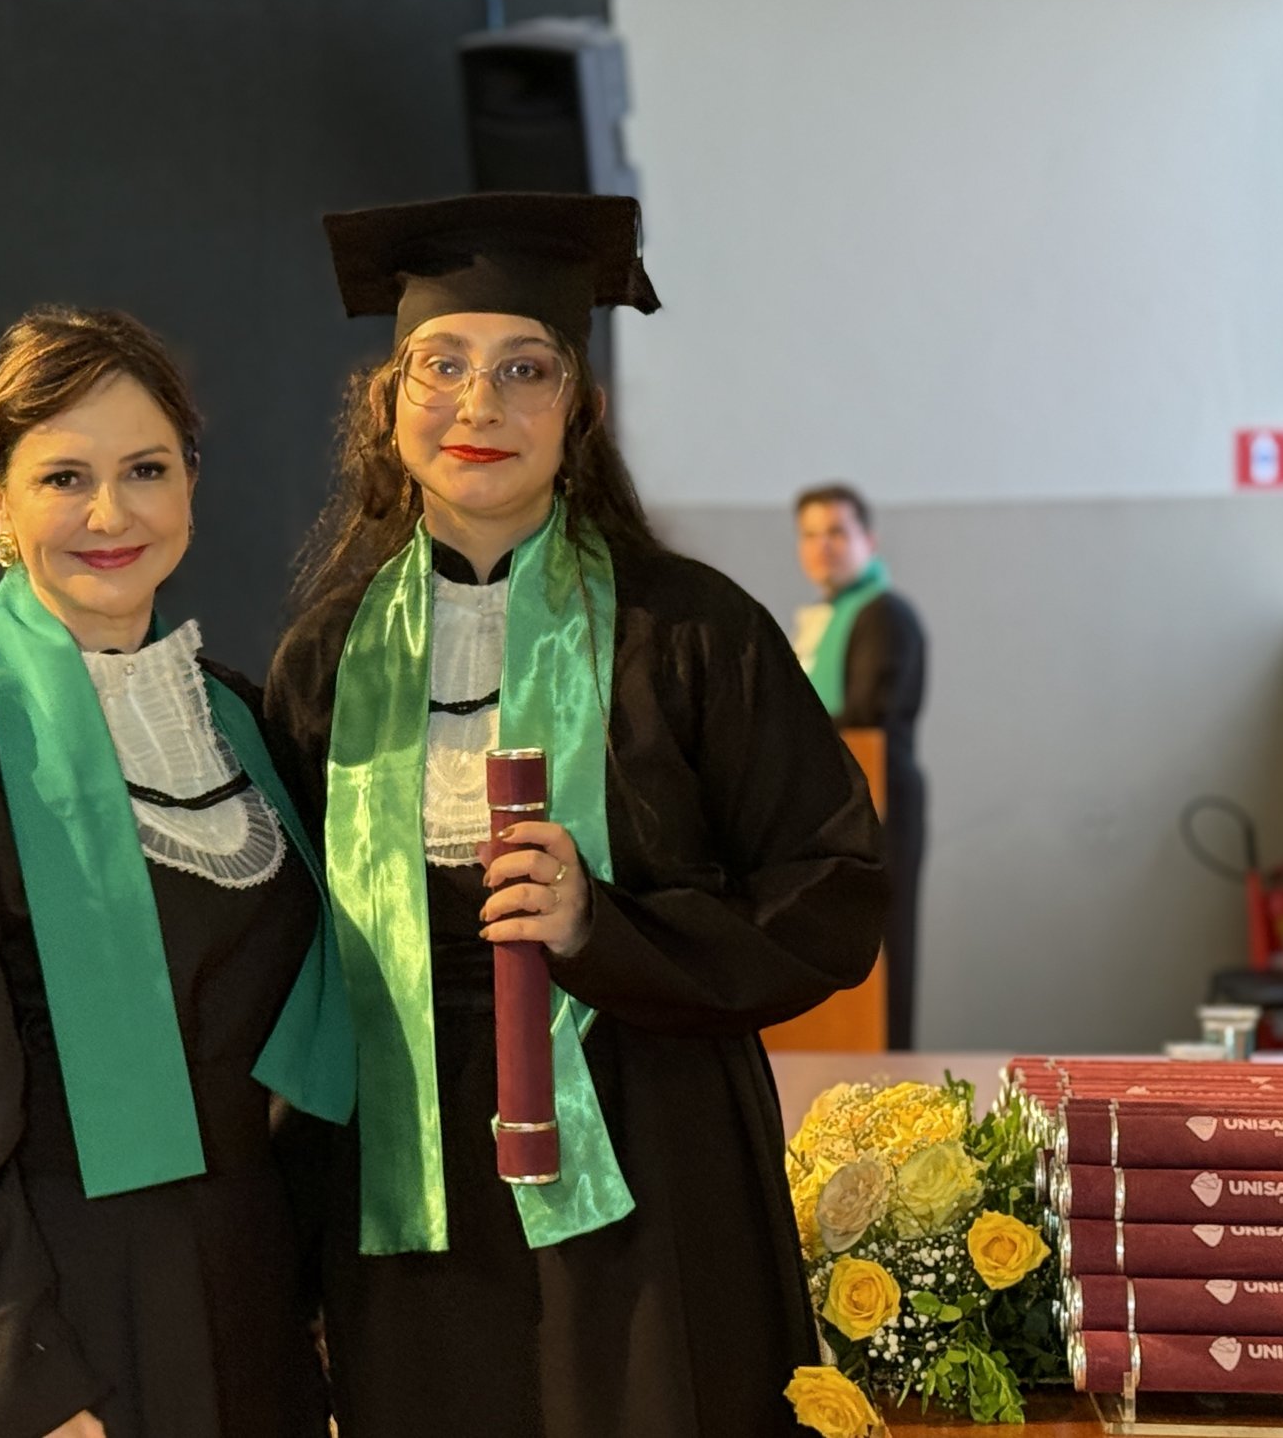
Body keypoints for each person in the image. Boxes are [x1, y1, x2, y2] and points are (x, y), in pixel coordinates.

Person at [264, 193, 889, 1437]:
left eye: (524, 369)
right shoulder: (325, 660)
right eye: (440, 366)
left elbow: (832, 891)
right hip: (410, 1184)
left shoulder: (689, 632)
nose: (478, 406)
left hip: (649, 1158)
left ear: (579, 411)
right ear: (386, 406)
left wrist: (605, 930)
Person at [0, 306, 351, 1438]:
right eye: (64, 477)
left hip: (251, 1307)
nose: (111, 514)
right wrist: (22, 1394)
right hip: (67, 1328)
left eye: (145, 469)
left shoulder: (242, 725)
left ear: (191, 482)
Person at [792, 482, 928, 1049]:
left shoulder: (884, 615)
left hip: (879, 801)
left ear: (868, 540)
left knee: (881, 945)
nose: (823, 546)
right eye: (810, 535)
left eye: (837, 532)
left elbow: (870, 715)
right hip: (831, 809)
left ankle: (888, 1066)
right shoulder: (823, 619)